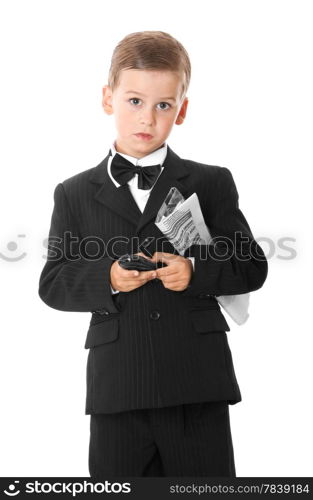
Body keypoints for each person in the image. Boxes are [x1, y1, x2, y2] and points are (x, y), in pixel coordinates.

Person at [38, 30, 268, 477]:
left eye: (164, 105)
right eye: (134, 101)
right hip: (117, 385)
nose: (148, 117)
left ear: (181, 110)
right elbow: (53, 283)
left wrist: (196, 272)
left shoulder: (212, 181)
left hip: (197, 381)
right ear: (109, 99)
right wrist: (107, 276)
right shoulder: (73, 192)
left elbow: (252, 266)